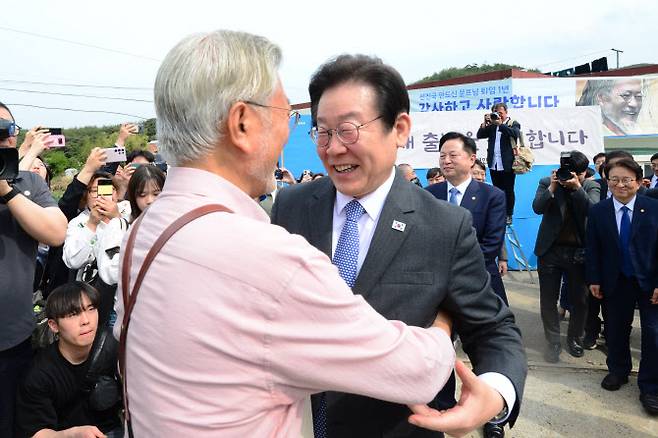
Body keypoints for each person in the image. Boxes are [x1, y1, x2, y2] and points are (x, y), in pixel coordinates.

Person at [113, 30, 457, 437]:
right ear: (241, 123)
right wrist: (443, 325)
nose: (295, 136)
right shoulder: (267, 258)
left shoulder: (142, 232)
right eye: (286, 117)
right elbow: (414, 373)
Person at [272, 54, 526, 438]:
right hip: (295, 424)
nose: (333, 148)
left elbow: (492, 328)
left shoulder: (444, 226)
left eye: (349, 129)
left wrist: (495, 394)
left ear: (400, 128)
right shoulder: (291, 207)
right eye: (322, 132)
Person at [0, 104, 68, 437]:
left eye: (6, 131)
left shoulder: (28, 182)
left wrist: (7, 191)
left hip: (13, 342)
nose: (1, 139)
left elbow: (56, 232)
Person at [586, 158, 658, 416]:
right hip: (614, 280)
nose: (621, 184)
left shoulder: (653, 208)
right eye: (614, 179)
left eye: (627, 179)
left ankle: (650, 386)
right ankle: (618, 371)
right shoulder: (598, 211)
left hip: (649, 282)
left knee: (654, 333)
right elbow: (592, 248)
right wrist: (594, 279)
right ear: (607, 181)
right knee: (616, 329)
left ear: (639, 182)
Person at [14, 282, 123, 437]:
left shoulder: (114, 347)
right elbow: (36, 433)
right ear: (53, 325)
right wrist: (72, 434)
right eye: (73, 314)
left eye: (91, 309)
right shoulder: (39, 373)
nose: (86, 320)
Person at [532, 151, 600, 363]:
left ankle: (575, 339)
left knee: (580, 300)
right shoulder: (547, 182)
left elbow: (594, 211)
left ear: (584, 173)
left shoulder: (590, 186)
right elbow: (537, 207)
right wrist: (552, 188)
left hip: (579, 252)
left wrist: (577, 188)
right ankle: (552, 342)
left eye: (577, 174)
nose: (571, 177)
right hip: (550, 250)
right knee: (548, 300)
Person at [427, 132, 509, 307]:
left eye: (452, 155)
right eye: (442, 156)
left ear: (471, 159)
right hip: (437, 285)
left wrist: (454, 268)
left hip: (478, 280)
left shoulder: (492, 196)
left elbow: (492, 243)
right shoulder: (429, 195)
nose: (446, 161)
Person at [62, 172, 131, 325]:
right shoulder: (78, 223)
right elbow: (73, 261)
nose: (101, 195)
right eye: (94, 191)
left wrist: (116, 219)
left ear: (116, 193)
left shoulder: (128, 211)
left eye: (107, 189)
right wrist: (92, 224)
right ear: (86, 195)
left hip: (125, 298)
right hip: (91, 300)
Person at [476, 103, 520, 224]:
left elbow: (515, 134)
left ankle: (509, 214)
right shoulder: (492, 126)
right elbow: (480, 135)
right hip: (494, 163)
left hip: (508, 163)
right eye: (496, 113)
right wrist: (485, 124)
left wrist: (500, 124)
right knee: (497, 190)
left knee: (509, 190)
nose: (498, 115)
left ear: (506, 112)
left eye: (500, 113)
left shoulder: (513, 123)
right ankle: (498, 211)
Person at [577, 78, 645, 136]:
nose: (634, 104)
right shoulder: (592, 137)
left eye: (639, 96)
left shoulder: (642, 133)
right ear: (602, 98)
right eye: (626, 95)